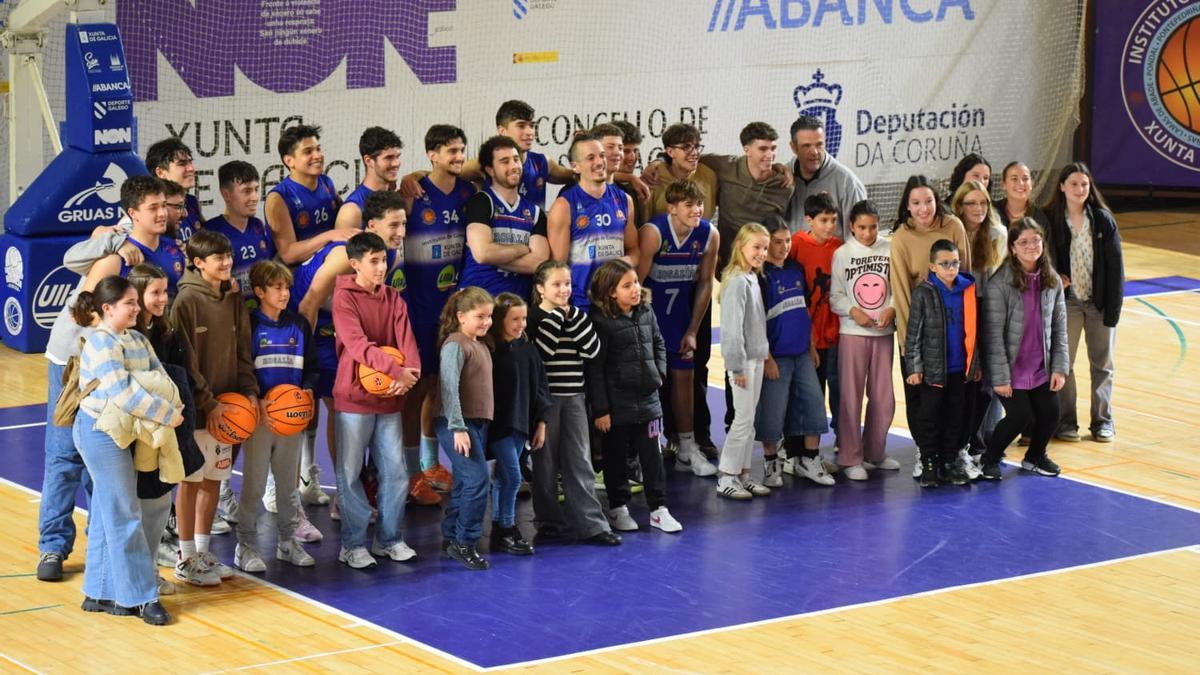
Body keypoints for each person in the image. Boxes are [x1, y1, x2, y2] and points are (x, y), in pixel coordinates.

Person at [35, 175, 171, 582]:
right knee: (66, 455)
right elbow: (87, 315)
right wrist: (110, 239)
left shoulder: (168, 251)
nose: (162, 213)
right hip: (77, 359)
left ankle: (103, 543)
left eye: (164, 205)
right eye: (153, 207)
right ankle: (53, 546)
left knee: (111, 453)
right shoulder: (115, 253)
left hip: (120, 360)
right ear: (132, 213)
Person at [73, 275, 180, 625]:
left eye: (136, 301)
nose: (137, 308)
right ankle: (142, 598)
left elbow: (162, 380)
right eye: (129, 303)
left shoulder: (137, 339)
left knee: (107, 511)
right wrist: (167, 413)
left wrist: (166, 399)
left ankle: (99, 591)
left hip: (125, 431)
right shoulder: (100, 343)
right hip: (99, 434)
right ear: (107, 308)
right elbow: (124, 393)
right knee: (125, 513)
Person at [170, 229, 259, 585]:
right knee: (190, 481)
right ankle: (184, 557)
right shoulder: (185, 302)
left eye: (228, 256)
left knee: (213, 481)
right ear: (198, 263)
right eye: (218, 258)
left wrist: (248, 391)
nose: (227, 263)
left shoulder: (234, 298)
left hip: (229, 409)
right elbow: (186, 362)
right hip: (199, 410)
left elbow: (243, 350)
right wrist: (208, 402)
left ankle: (203, 553)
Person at [331, 232, 422, 569]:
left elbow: (407, 340)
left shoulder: (393, 297)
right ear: (355, 264)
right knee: (350, 473)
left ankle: (389, 539)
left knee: (396, 471)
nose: (382, 267)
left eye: (384, 260)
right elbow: (357, 345)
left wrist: (410, 373)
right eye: (374, 261)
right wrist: (396, 371)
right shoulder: (343, 298)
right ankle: (352, 545)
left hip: (389, 398)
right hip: (354, 398)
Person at [402, 124, 475, 498]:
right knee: (415, 388)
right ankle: (410, 469)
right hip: (417, 306)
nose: (459, 157)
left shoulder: (468, 191)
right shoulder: (413, 193)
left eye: (462, 150)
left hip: (451, 307)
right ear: (432, 155)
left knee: (438, 385)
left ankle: (430, 462)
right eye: (451, 151)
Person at [233, 260, 319, 572]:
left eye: (287, 288)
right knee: (254, 487)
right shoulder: (249, 325)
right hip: (259, 419)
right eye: (277, 288)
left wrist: (308, 389)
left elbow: (312, 367)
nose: (284, 293)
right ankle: (245, 546)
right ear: (259, 292)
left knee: (287, 487)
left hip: (291, 418)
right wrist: (254, 398)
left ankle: (287, 542)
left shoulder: (299, 325)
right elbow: (241, 367)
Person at [527, 260, 621, 545]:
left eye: (567, 284)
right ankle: (548, 520)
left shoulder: (577, 315)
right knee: (545, 463)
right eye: (556, 284)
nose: (563, 290)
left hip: (575, 398)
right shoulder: (534, 317)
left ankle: (592, 524)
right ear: (541, 288)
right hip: (545, 402)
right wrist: (559, 317)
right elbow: (543, 353)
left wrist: (574, 319)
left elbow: (593, 351)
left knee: (580, 460)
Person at [643, 123, 721, 461]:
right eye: (689, 205)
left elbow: (705, 282)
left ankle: (690, 442)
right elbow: (637, 282)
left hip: (684, 309)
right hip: (653, 310)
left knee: (690, 371)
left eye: (699, 205)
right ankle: (651, 443)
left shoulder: (709, 232)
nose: (696, 210)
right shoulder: (653, 229)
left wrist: (692, 328)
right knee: (649, 380)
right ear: (672, 207)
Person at [587, 260, 681, 532]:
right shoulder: (600, 322)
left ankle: (658, 508)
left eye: (636, 283)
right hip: (617, 406)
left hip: (649, 402)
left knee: (652, 457)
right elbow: (595, 368)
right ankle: (618, 507)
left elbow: (659, 342)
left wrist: (659, 372)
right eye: (627, 285)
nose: (635, 289)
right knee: (615, 458)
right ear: (611, 291)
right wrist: (601, 410)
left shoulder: (646, 311)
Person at [128, 263, 203, 597]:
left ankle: (148, 572)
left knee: (159, 504)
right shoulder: (126, 337)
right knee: (135, 508)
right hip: (136, 434)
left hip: (168, 431)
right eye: (155, 293)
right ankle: (131, 577)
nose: (163, 299)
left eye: (165, 292)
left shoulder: (167, 331)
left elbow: (182, 378)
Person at [889, 175, 970, 476]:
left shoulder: (954, 227)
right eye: (916, 203)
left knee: (955, 400)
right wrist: (909, 347)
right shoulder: (901, 237)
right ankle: (926, 454)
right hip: (920, 337)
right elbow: (901, 293)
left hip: (954, 336)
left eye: (928, 201)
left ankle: (952, 454)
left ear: (937, 201)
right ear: (907, 206)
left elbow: (966, 278)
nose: (923, 208)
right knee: (922, 401)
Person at [981, 219, 1069, 479]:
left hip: (1040, 367)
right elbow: (993, 335)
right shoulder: (999, 284)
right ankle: (990, 458)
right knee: (1019, 416)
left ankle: (1035, 457)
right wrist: (1000, 378)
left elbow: (1059, 328)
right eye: (1024, 242)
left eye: (1036, 240)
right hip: (1011, 369)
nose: (1031, 246)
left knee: (1051, 413)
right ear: (1013, 247)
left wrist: (1059, 368)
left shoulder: (1052, 280)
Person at [1047, 162, 1124, 443]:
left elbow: (1116, 269)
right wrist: (1055, 275)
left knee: (1102, 364)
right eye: (1074, 184)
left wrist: (1113, 311)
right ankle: (1066, 422)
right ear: (1062, 187)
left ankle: (1102, 421)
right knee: (1063, 364)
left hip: (1099, 304)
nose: (1079, 189)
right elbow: (1041, 258)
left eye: (1084, 184)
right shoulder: (1052, 220)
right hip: (1068, 304)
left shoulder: (1102, 220)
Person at [757, 221, 831, 487]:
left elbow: (803, 310)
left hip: (801, 353)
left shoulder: (796, 269)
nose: (784, 247)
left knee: (814, 404)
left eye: (787, 240)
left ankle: (809, 459)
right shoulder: (760, 276)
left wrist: (811, 346)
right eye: (777, 242)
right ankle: (771, 463)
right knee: (773, 412)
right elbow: (756, 323)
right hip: (776, 357)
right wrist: (767, 358)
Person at [903, 240, 981, 487]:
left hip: (960, 370)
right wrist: (914, 368)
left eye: (955, 263)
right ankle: (929, 464)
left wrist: (975, 364)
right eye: (944, 264)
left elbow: (975, 331)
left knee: (955, 418)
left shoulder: (968, 290)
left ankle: (949, 461)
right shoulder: (924, 293)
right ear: (932, 267)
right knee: (930, 418)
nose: (951, 268)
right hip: (933, 372)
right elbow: (913, 334)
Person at [830, 200, 899, 480]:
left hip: (883, 334)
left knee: (883, 397)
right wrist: (853, 311)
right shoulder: (842, 254)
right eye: (862, 227)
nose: (868, 233)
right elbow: (835, 296)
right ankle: (850, 457)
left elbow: (898, 288)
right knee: (851, 396)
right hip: (852, 334)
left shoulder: (890, 248)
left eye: (873, 227)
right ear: (851, 226)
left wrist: (892, 308)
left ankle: (875, 452)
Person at [435, 287, 496, 570]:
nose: (486, 322)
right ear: (461, 316)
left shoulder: (479, 345)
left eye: (489, 316)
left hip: (475, 423)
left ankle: (451, 537)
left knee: (463, 481)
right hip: (457, 423)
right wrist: (458, 427)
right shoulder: (455, 345)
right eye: (479, 316)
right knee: (477, 479)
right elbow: (449, 388)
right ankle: (465, 542)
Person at [951, 179, 1008, 472]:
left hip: (987, 309)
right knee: (961, 381)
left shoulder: (997, 234)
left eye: (983, 202)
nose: (978, 208)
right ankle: (957, 441)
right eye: (971, 203)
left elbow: (1002, 279)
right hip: (958, 310)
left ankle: (975, 441)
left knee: (985, 382)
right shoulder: (952, 232)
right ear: (960, 206)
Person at [547, 132, 639, 311]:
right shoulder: (563, 206)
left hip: (617, 303)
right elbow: (557, 268)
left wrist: (623, 263)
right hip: (582, 304)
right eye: (591, 158)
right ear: (575, 167)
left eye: (602, 155)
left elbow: (634, 250)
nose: (599, 162)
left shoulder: (624, 200)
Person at [486, 293, 549, 556]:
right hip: (500, 426)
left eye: (523, 319)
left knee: (504, 477)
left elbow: (541, 387)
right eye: (514, 319)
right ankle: (508, 526)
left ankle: (499, 530)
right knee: (513, 477)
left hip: (522, 424)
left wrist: (541, 422)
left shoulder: (528, 350)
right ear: (500, 319)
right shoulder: (491, 352)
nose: (521, 324)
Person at [716, 223, 772, 499]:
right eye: (756, 247)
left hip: (756, 358)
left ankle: (743, 474)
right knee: (742, 420)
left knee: (750, 421)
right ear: (740, 246)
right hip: (744, 363)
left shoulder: (751, 277)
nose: (762, 253)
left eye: (765, 248)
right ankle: (726, 476)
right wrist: (737, 367)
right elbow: (731, 330)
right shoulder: (737, 281)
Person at [460, 135, 550, 299]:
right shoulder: (481, 201)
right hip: (478, 302)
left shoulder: (535, 212)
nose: (514, 166)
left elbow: (538, 263)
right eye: (505, 161)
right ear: (490, 170)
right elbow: (482, 253)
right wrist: (521, 249)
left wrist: (494, 256)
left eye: (516, 159)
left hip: (517, 305)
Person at [789, 193, 844, 456]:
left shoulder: (839, 247)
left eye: (833, 220)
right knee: (809, 393)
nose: (830, 225)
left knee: (839, 389)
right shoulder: (796, 244)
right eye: (824, 220)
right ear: (809, 220)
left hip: (834, 332)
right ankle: (798, 449)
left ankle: (842, 439)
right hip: (806, 334)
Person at [265, 124, 350, 265]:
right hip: (294, 270)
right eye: (308, 152)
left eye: (318, 149)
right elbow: (288, 255)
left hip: (328, 257)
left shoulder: (326, 182)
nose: (317, 156)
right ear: (289, 160)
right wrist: (330, 236)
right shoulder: (278, 198)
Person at [201, 161, 276, 307]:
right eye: (246, 191)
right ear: (226, 194)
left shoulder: (258, 225)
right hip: (228, 312)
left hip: (261, 311)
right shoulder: (210, 231)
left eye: (256, 189)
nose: (254, 197)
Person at [785, 115, 867, 240]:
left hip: (836, 254)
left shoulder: (848, 183)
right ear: (794, 147)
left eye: (819, 145)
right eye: (806, 146)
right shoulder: (782, 179)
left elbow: (859, 241)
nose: (814, 152)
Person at [336, 126, 404, 230]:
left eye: (397, 156)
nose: (396, 163)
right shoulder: (352, 211)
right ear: (368, 161)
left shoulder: (397, 195)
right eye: (388, 158)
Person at [145, 137, 204, 242]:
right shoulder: (146, 209)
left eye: (190, 162)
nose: (191, 169)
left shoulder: (192, 202)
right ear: (160, 172)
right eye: (182, 164)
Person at [995, 161, 1051, 229]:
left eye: (1025, 179)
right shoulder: (992, 211)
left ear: (1031, 184)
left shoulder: (1040, 218)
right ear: (1003, 184)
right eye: (1014, 179)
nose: (1021, 183)